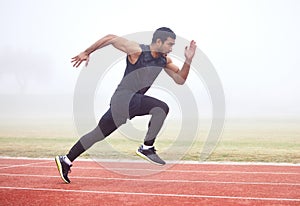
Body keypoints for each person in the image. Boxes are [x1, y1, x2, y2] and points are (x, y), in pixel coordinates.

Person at [55, 27, 196, 183]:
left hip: (130, 104)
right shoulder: (136, 50)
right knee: (161, 108)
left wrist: (188, 60)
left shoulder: (164, 61)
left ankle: (66, 160)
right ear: (158, 41)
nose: (171, 48)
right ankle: (147, 147)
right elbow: (110, 38)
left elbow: (180, 80)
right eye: (170, 44)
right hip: (123, 98)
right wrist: (87, 52)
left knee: (98, 134)